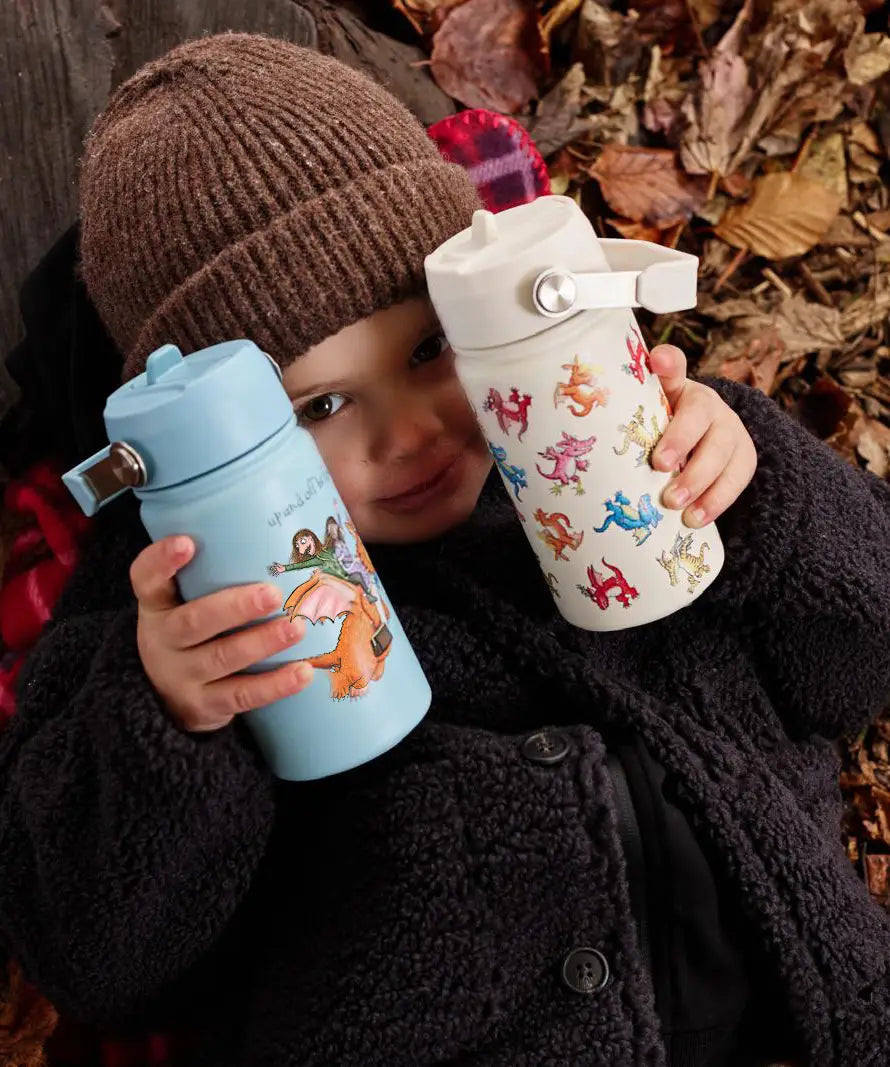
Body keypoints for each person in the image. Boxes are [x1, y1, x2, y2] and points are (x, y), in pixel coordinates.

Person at [0, 32, 888, 1067]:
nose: (412, 432)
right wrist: (171, 716)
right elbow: (97, 958)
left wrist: (759, 486)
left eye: (430, 347)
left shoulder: (623, 444)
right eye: (318, 406)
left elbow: (859, 653)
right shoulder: (173, 607)